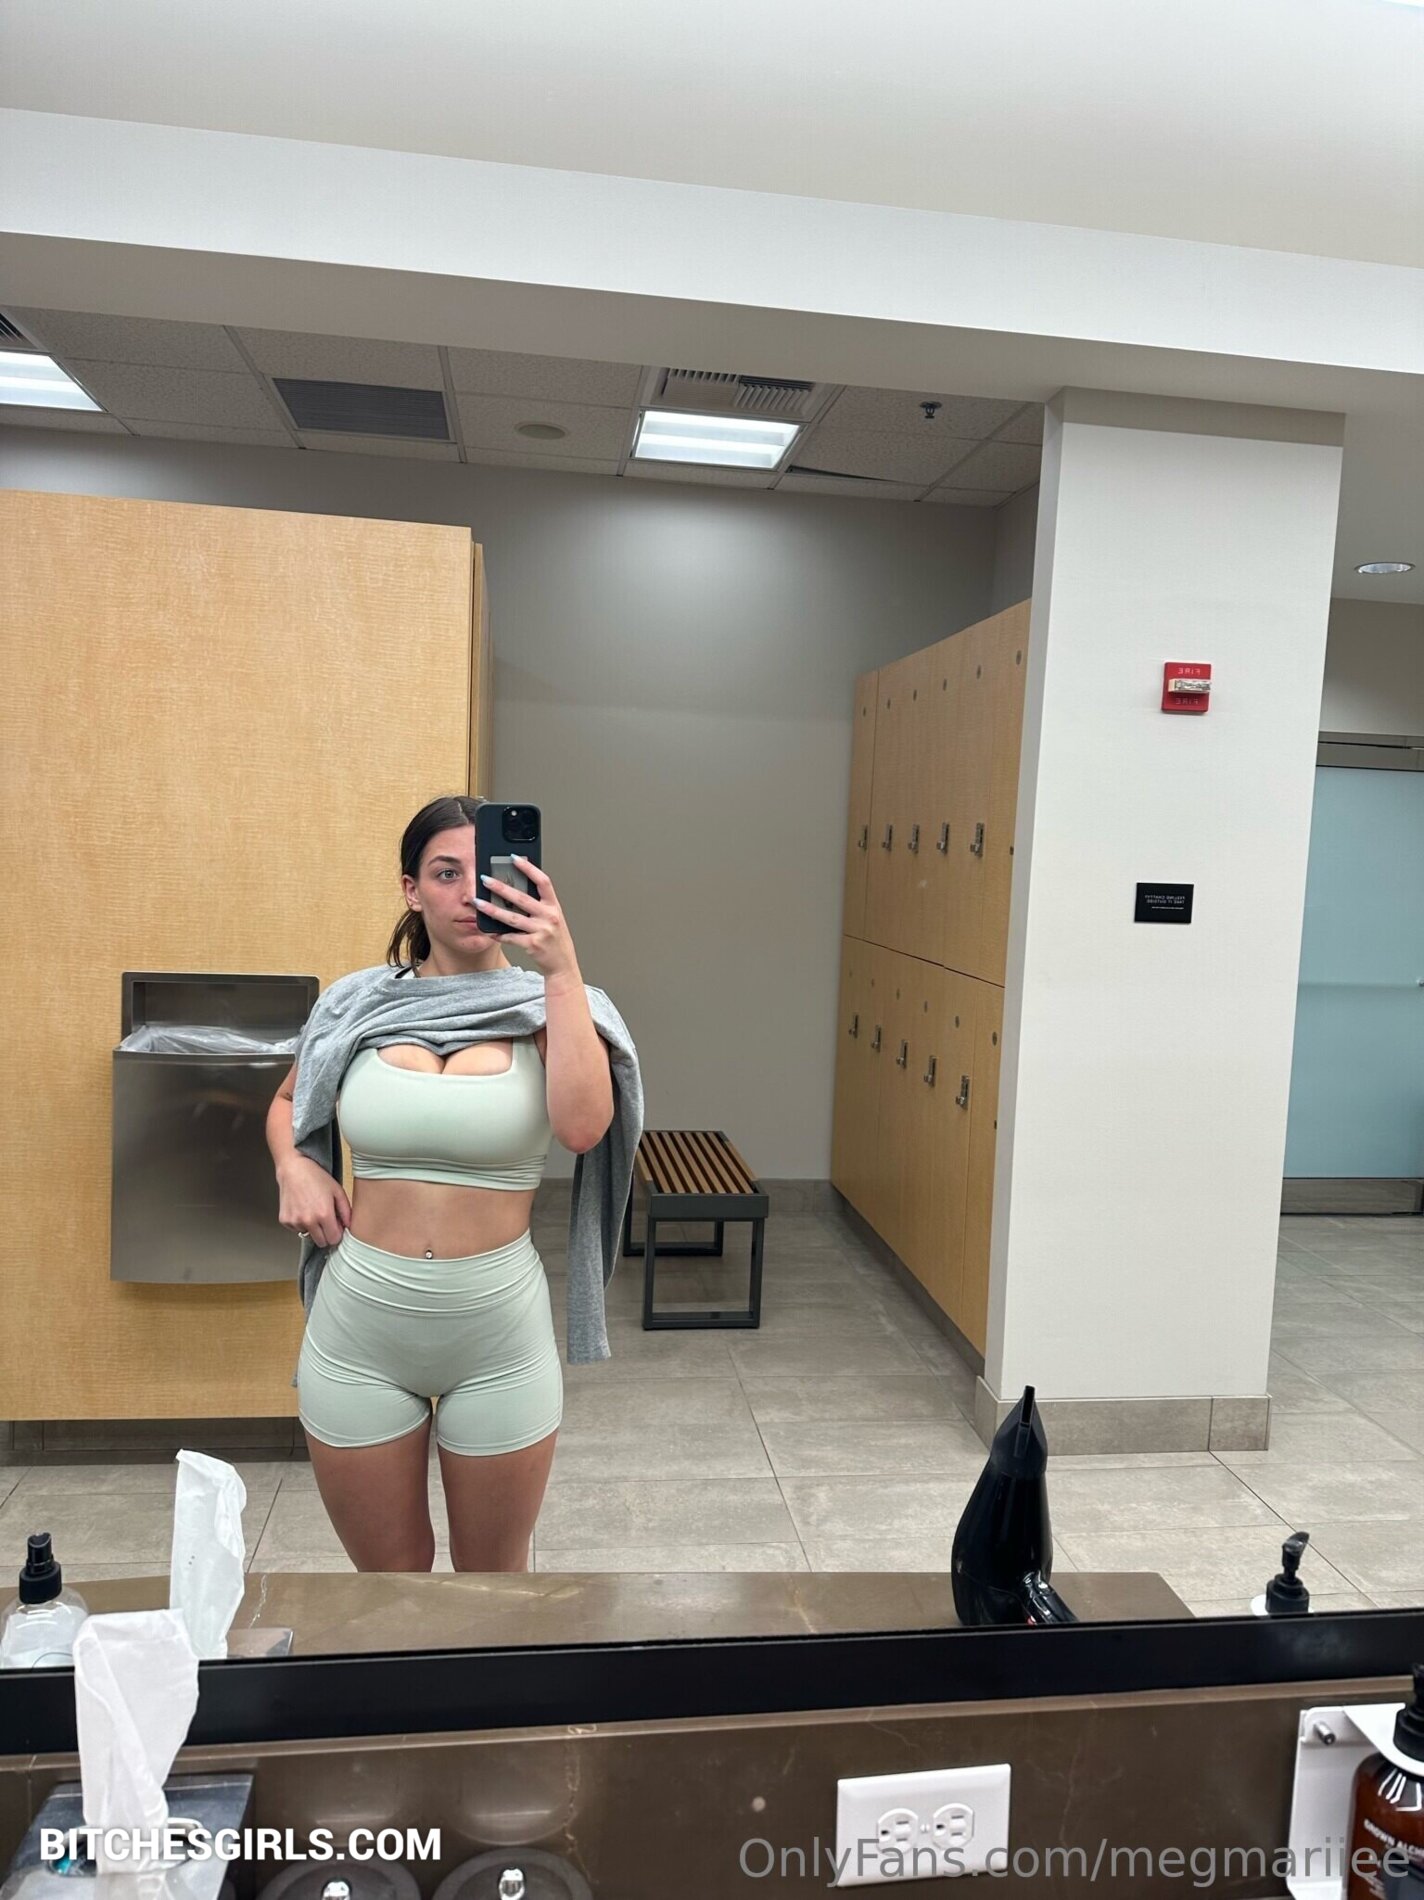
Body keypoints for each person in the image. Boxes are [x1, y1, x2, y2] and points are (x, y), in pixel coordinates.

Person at [264, 794, 617, 1573]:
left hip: (498, 1337)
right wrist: (295, 1165)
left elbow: (584, 1128)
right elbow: (289, 1102)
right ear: (411, 889)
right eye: (444, 873)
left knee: (493, 1590)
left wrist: (561, 969)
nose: (466, 893)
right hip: (360, 1332)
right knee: (388, 1590)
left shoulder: (549, 1007)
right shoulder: (356, 1003)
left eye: (483, 873)